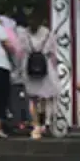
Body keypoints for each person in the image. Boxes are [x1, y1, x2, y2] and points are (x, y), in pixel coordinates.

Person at [18, 11, 57, 139]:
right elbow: (53, 52)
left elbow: (20, 51)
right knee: (48, 96)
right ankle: (46, 123)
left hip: (29, 66)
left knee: (32, 97)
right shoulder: (48, 33)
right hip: (45, 66)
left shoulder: (23, 33)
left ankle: (36, 125)